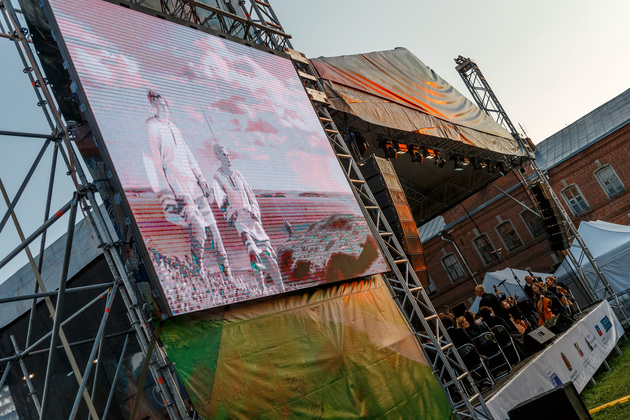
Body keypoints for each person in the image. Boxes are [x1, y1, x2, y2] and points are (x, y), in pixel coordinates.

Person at [145, 90, 231, 279]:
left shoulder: (174, 128)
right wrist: (167, 194)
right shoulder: (152, 127)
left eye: (165, 105)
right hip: (178, 187)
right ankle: (198, 267)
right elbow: (156, 163)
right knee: (198, 225)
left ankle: (227, 274)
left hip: (194, 186)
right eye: (159, 105)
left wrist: (202, 180)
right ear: (154, 106)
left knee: (213, 229)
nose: (163, 108)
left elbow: (189, 157)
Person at [212, 143, 285, 292]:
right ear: (218, 156)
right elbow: (221, 199)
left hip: (252, 219)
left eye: (227, 154)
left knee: (268, 255)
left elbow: (250, 194)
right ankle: (262, 289)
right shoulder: (217, 176)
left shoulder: (238, 174)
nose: (227, 157)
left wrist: (254, 211)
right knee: (253, 252)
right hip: (240, 220)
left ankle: (281, 289)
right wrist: (232, 212)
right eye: (223, 155)